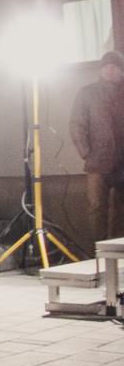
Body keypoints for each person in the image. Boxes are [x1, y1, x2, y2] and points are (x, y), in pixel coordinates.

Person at [70, 51, 124, 243]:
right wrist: (86, 152)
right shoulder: (87, 93)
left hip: (123, 161)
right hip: (98, 161)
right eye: (107, 66)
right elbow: (77, 124)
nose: (110, 70)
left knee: (121, 210)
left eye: (115, 66)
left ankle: (118, 251)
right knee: (96, 207)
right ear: (101, 69)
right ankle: (97, 251)